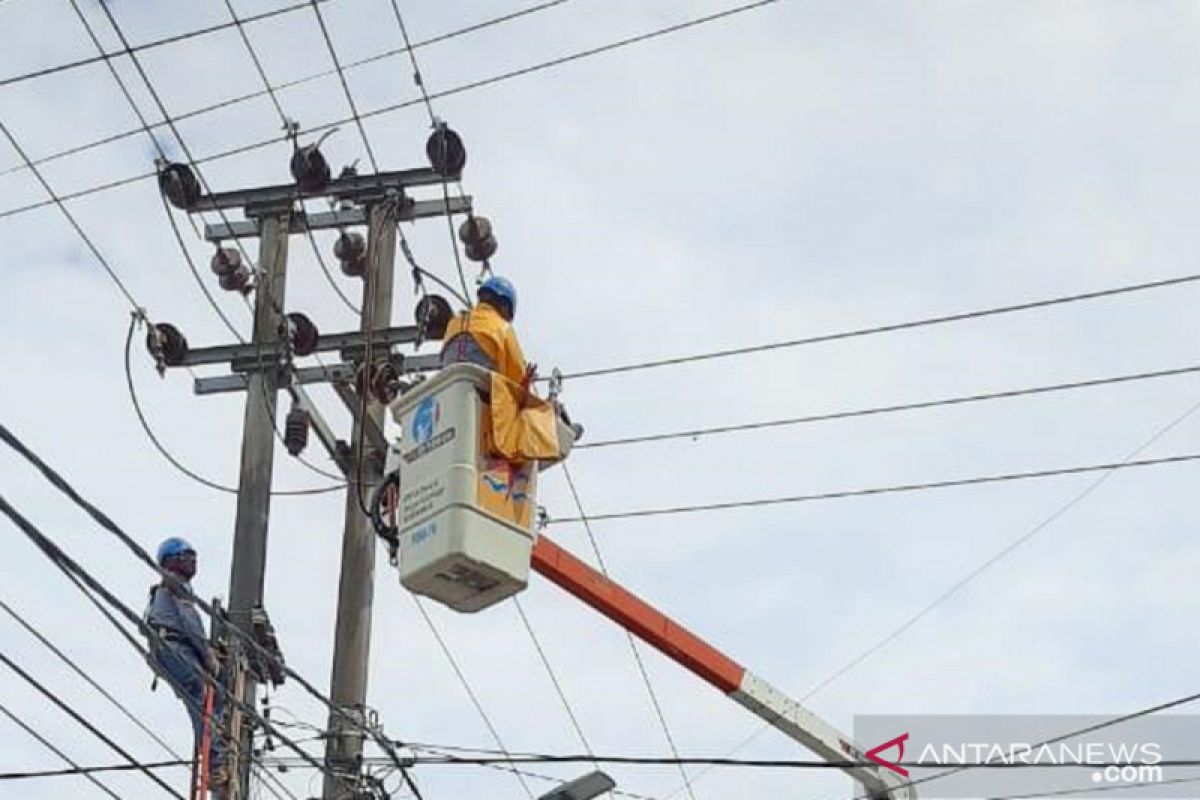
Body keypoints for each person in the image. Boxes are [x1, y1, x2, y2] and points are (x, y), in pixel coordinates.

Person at [441, 275, 583, 442]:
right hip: (485, 416)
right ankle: (561, 433)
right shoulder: (501, 328)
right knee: (530, 423)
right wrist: (542, 404)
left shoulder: (453, 324)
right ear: (504, 306)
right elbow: (517, 387)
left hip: (448, 407)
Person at [144, 537, 225, 789]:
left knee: (206, 698)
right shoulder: (176, 586)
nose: (192, 560)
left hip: (168, 650)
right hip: (174, 647)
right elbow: (190, 625)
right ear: (171, 562)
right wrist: (209, 656)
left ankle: (214, 755)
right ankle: (215, 763)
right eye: (186, 555)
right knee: (203, 696)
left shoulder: (165, 590)